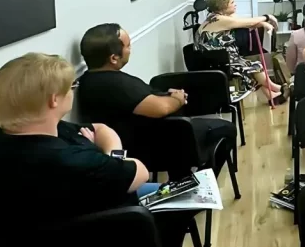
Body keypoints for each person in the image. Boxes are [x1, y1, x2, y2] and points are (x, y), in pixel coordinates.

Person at [0, 54, 155, 247]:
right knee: (164, 199)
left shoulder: (17, 133)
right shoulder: (60, 159)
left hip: (44, 242)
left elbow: (100, 129)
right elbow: (140, 170)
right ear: (54, 99)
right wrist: (110, 156)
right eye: (71, 87)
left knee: (156, 193)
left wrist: (105, 158)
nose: (73, 91)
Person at [76, 23, 238, 159]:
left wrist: (166, 95)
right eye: (128, 46)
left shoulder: (89, 80)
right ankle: (197, 179)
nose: (130, 49)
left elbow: (141, 102)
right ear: (113, 58)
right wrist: (177, 98)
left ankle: (181, 176)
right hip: (150, 145)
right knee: (226, 128)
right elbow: (161, 109)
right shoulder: (115, 84)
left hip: (147, 139)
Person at [195, 0, 283, 103]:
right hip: (217, 63)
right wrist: (267, 17)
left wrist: (261, 23)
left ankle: (272, 95)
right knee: (254, 66)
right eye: (232, 2)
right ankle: (278, 88)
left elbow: (244, 22)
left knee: (251, 65)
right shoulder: (219, 19)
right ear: (222, 5)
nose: (235, 4)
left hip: (215, 59)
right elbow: (246, 23)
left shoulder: (214, 17)